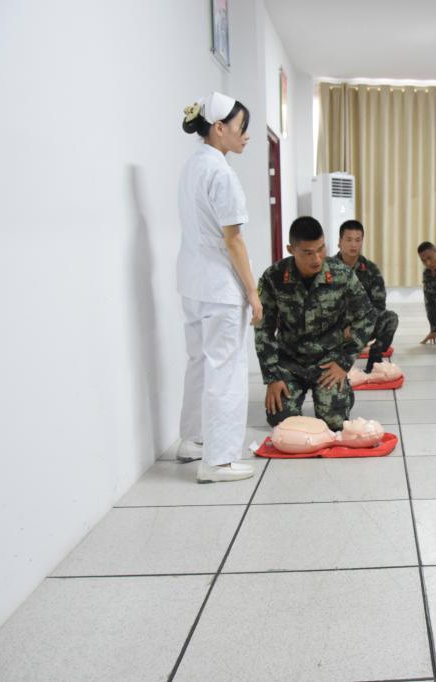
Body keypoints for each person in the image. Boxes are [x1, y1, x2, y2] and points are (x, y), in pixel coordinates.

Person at [177, 92, 260, 483]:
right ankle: (219, 460)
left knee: (199, 364)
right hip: (219, 286)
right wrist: (253, 292)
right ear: (219, 128)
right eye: (242, 129)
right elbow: (234, 240)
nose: (246, 136)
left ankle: (193, 441)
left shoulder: (193, 166)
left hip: (192, 283)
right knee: (225, 369)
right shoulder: (222, 173)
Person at [256, 217, 375, 431]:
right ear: (291, 249)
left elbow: (367, 316)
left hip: (328, 362)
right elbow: (263, 329)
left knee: (335, 423)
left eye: (321, 249)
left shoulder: (341, 274)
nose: (317, 258)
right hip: (290, 361)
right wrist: (272, 376)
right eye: (308, 253)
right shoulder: (273, 278)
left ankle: (341, 393)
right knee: (282, 421)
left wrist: (344, 361)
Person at [334, 220, 399, 371]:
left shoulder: (370, 269)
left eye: (358, 240)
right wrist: (341, 327)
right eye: (349, 240)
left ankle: (375, 355)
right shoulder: (328, 268)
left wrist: (357, 326)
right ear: (340, 241)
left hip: (361, 326)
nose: (353, 245)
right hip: (335, 329)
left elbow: (379, 305)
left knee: (390, 318)